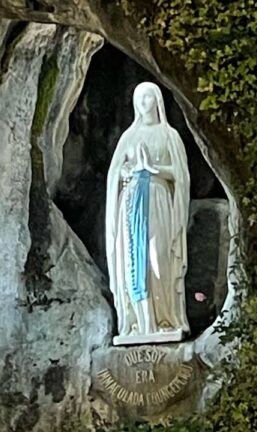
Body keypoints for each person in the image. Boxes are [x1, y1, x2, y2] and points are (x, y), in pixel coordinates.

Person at [105, 82, 191, 345]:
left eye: (148, 97)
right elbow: (114, 173)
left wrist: (153, 169)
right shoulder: (128, 138)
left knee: (158, 259)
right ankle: (141, 323)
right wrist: (129, 172)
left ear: (157, 101)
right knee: (133, 262)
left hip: (157, 200)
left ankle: (166, 319)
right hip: (131, 204)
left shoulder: (169, 136)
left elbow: (180, 175)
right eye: (139, 98)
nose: (144, 102)